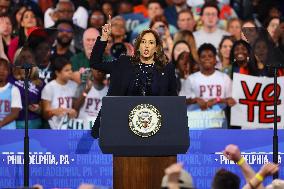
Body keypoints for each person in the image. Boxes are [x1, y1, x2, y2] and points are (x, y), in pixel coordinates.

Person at [90, 16, 177, 138]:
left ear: (157, 48)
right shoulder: (123, 63)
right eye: (143, 42)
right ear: (138, 45)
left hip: (156, 130)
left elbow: (173, 100)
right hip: (121, 126)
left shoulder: (166, 69)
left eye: (151, 42)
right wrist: (104, 37)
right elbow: (95, 63)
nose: (146, 46)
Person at [41, 56, 77, 129]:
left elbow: (76, 107)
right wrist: (54, 112)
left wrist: (73, 112)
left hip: (70, 126)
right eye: (66, 70)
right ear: (57, 73)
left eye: (71, 69)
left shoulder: (74, 85)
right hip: (53, 128)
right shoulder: (49, 88)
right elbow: (44, 114)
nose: (70, 72)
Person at [0, 58, 22, 129]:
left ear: (9, 71)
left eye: (4, 69)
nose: (1, 72)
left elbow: (15, 114)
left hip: (8, 131)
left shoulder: (14, 90)